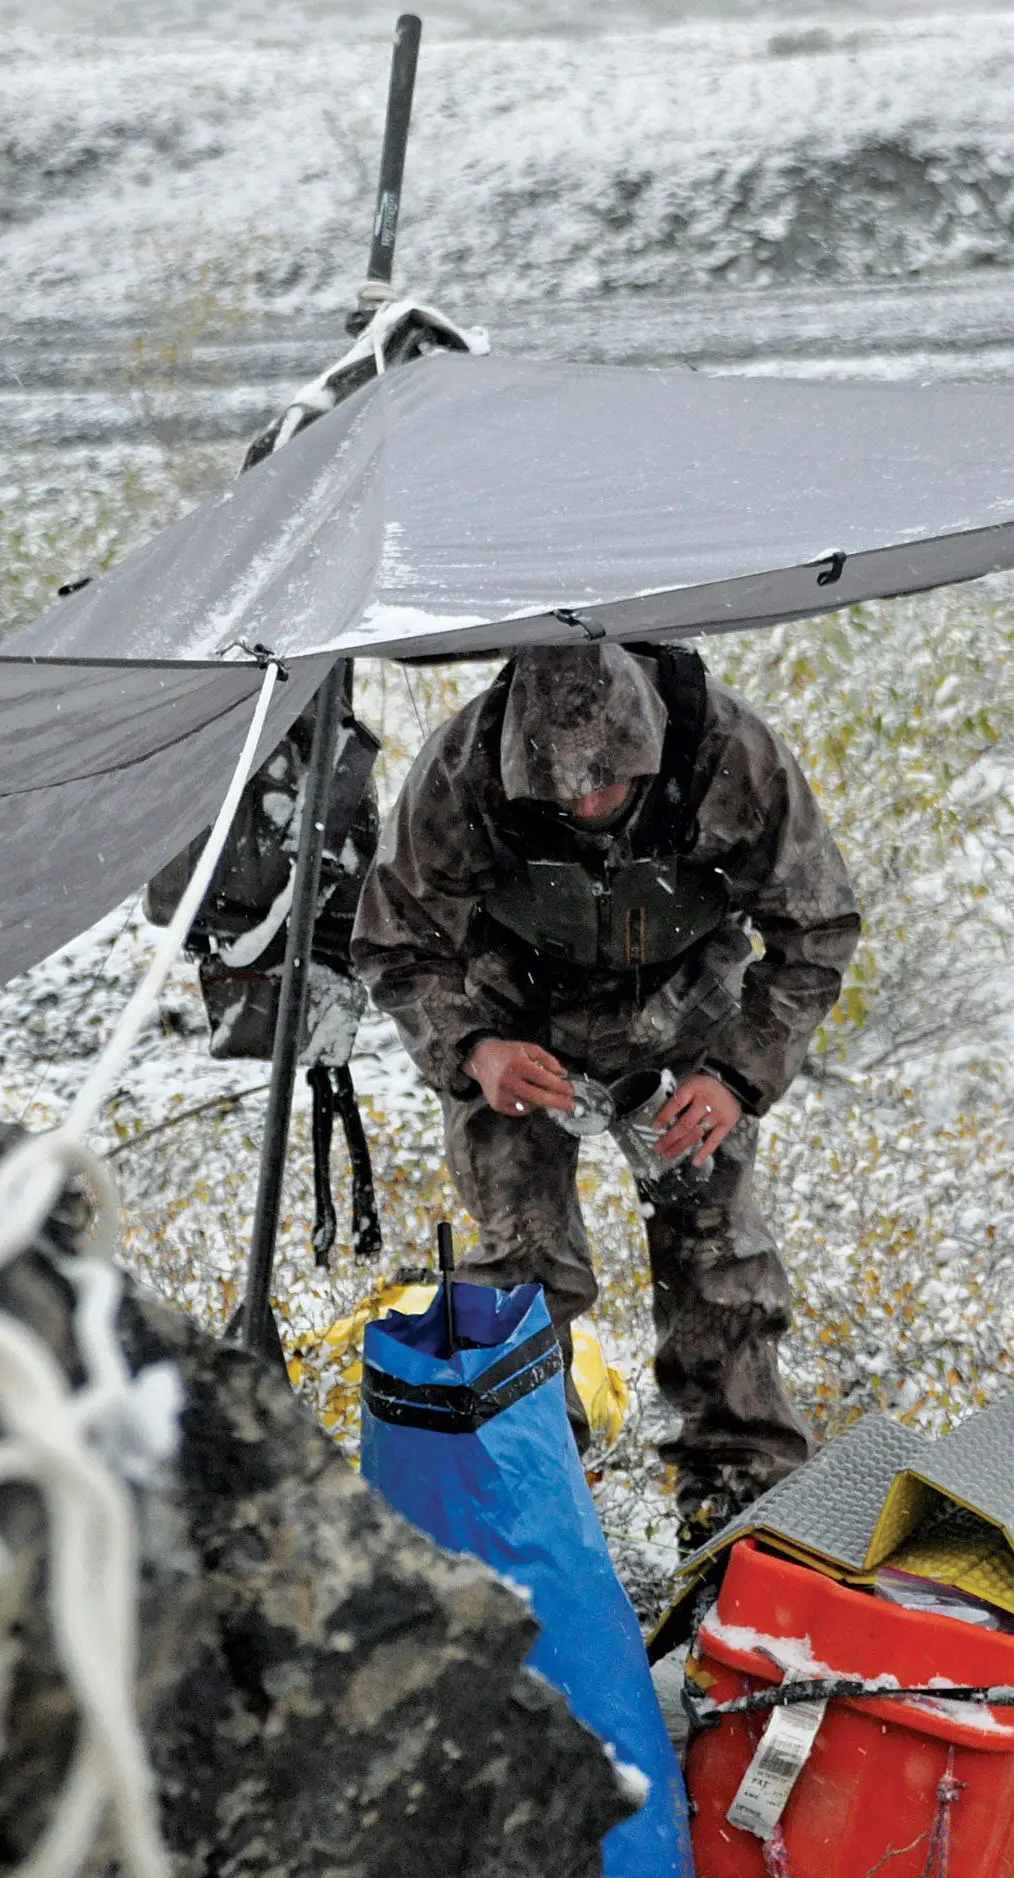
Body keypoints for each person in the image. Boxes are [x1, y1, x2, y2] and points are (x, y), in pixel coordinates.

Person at [350, 640, 861, 1542]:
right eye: (564, 796)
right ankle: (529, 1490)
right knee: (521, 1270)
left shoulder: (730, 755)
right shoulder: (461, 772)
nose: (587, 807)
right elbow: (395, 944)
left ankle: (741, 1496)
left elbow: (816, 929)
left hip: (689, 1018)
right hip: (513, 1020)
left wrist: (738, 1074)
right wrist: (475, 1052)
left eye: (610, 788)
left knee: (719, 1268)